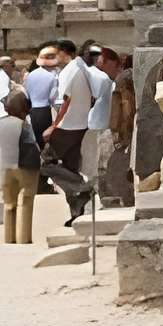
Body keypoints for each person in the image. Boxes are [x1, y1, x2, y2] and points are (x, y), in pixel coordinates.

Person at [46, 41, 109, 224]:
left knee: (48, 163)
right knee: (71, 167)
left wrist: (54, 126)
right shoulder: (85, 71)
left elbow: (66, 101)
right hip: (83, 125)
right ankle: (78, 209)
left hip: (70, 127)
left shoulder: (73, 71)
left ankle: (82, 192)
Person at [0, 73, 40, 245]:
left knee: (8, 205)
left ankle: (8, 237)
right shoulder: (24, 125)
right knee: (25, 202)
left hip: (5, 168)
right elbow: (31, 145)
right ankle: (23, 237)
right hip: (24, 167)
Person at [93, 45, 137, 209]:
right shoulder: (113, 81)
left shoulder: (121, 81)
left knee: (109, 170)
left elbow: (123, 111)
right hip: (111, 132)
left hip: (115, 134)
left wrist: (119, 133)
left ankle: (113, 200)